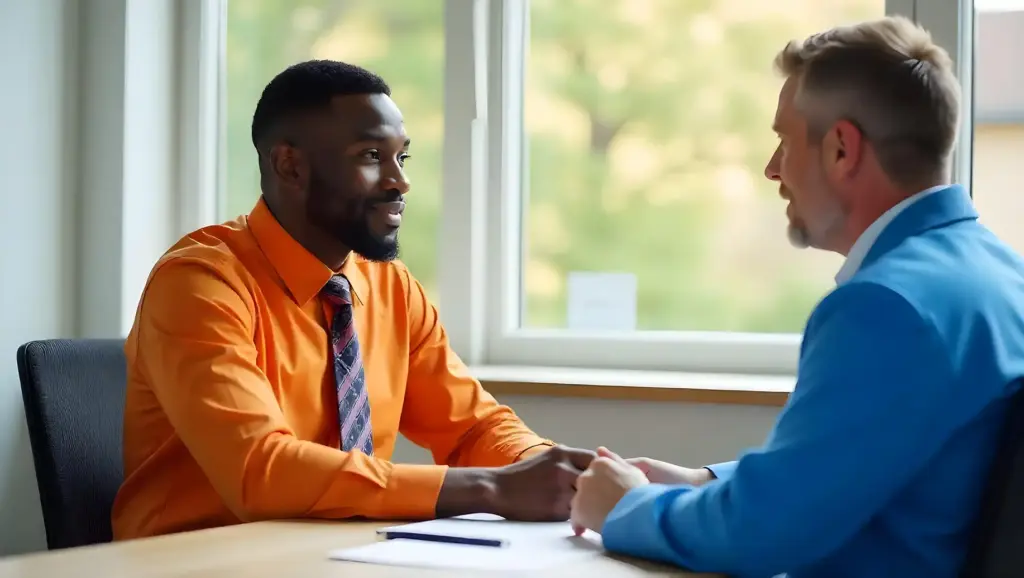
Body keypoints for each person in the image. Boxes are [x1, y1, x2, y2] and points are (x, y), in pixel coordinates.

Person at [570, 15, 1024, 578]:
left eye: (784, 139)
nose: (772, 169)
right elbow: (866, 459)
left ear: (841, 149)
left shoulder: (886, 308)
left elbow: (757, 536)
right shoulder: (998, 275)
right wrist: (702, 484)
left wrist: (624, 507)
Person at [111, 60, 594, 540]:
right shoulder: (200, 283)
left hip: (339, 554)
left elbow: (471, 429)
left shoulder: (391, 286)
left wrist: (559, 472)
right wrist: (491, 488)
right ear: (290, 165)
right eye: (370, 156)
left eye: (401, 158)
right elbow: (260, 469)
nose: (400, 182)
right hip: (194, 562)